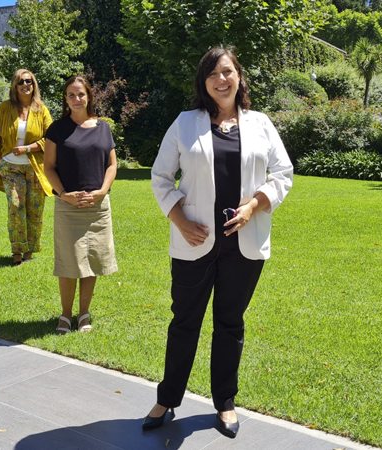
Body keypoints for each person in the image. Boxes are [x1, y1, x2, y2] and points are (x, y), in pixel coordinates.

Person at [144, 47, 293, 438]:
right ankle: (167, 398)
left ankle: (225, 402)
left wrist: (255, 206)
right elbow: (160, 177)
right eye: (212, 73)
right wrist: (179, 218)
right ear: (203, 82)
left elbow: (283, 173)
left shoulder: (260, 124)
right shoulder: (184, 123)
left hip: (243, 244)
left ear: (239, 77)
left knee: (230, 323)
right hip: (194, 242)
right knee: (184, 322)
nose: (221, 79)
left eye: (227, 71)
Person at [43, 75, 118, 334]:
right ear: (65, 99)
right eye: (71, 95)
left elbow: (112, 164)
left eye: (81, 94)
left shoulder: (103, 128)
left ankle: (84, 315)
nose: (77, 99)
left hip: (98, 207)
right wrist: (63, 194)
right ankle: (65, 316)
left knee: (92, 261)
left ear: (89, 96)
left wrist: (102, 191)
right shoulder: (56, 129)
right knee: (69, 261)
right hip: (68, 205)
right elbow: (49, 168)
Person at [0, 69, 54, 265]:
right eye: (21, 82)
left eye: (29, 81)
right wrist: (0, 160)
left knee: (35, 210)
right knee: (16, 207)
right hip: (11, 167)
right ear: (15, 86)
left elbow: (51, 137)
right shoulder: (5, 108)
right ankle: (17, 251)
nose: (26, 85)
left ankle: (29, 252)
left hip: (36, 168)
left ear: (34, 85)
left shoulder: (41, 109)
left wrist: (28, 148)